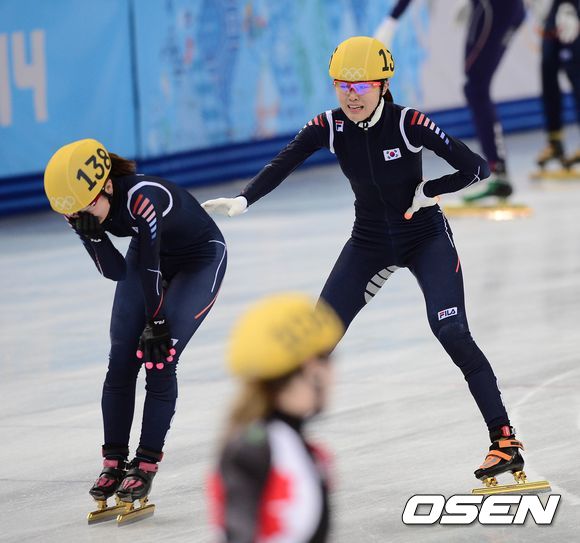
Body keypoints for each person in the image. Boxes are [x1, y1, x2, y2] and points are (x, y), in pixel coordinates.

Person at [201, 36, 536, 491]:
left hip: (424, 238)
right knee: (313, 342)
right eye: (343, 85)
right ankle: (274, 449)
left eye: (361, 86)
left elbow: (478, 168)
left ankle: (504, 440)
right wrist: (245, 199)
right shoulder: (329, 126)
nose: (351, 95)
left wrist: (431, 190)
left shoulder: (409, 123)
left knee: (452, 331)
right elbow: (284, 161)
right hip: (370, 242)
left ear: (383, 85)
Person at [44, 138, 227, 522]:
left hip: (198, 259)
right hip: (147, 259)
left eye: (87, 208)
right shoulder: (79, 207)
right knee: (121, 361)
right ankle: (113, 461)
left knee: (159, 358)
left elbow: (149, 267)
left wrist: (157, 322)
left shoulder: (143, 197)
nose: (81, 215)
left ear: (107, 185)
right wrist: (90, 233)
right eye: (73, 213)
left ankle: (145, 464)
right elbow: (114, 270)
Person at [208, 293, 343, 542]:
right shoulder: (256, 447)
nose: (334, 374)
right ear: (311, 367)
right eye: (329, 359)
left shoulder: (289, 442)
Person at [374, 0, 526, 203]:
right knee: (476, 87)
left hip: (494, 7)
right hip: (499, 7)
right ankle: (499, 171)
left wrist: (392, 19)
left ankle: (498, 172)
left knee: (476, 87)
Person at [535, 0, 580, 170]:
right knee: (548, 72)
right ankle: (555, 142)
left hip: (573, 7)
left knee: (576, 73)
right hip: (554, 9)